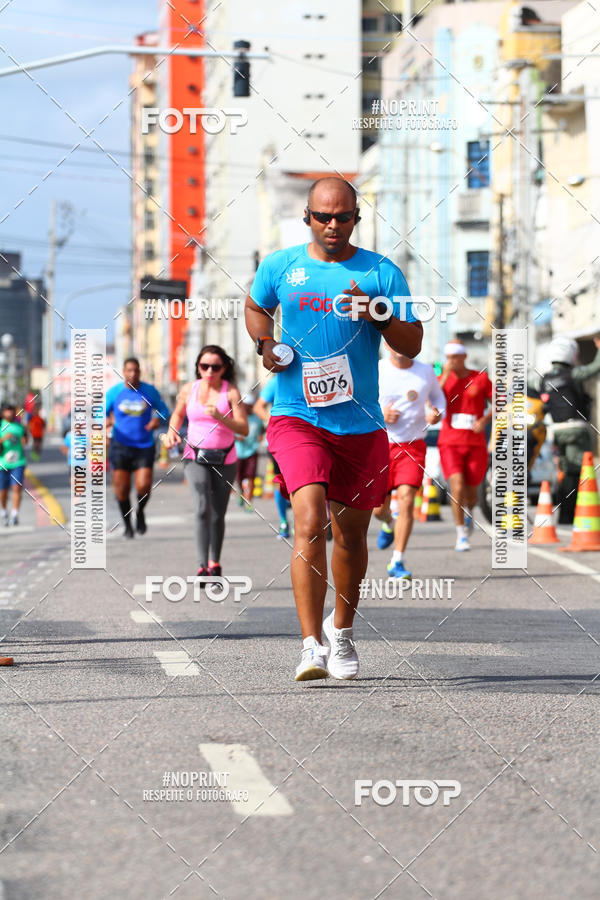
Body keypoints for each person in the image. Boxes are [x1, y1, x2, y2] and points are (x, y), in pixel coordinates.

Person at [245, 175, 422, 682]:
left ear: (355, 219)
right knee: (308, 520)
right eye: (323, 216)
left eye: (342, 217)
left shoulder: (380, 272)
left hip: (360, 422)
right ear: (307, 217)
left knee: (351, 535)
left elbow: (410, 344)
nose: (332, 225)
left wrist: (380, 315)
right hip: (296, 415)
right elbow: (256, 308)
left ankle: (342, 631)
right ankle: (310, 646)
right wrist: (265, 346)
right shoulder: (281, 267)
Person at [162, 346, 248, 578]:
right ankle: (202, 565)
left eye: (215, 366)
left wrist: (221, 417)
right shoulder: (189, 389)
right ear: (198, 367)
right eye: (204, 366)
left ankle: (214, 561)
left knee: (218, 513)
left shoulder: (231, 392)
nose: (209, 371)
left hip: (225, 458)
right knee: (202, 508)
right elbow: (178, 414)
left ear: (224, 368)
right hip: (194, 456)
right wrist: (172, 432)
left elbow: (244, 428)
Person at [374, 343, 446, 579]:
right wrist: (380, 414)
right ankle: (387, 522)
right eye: (393, 341)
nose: (399, 346)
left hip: (412, 447)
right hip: (380, 445)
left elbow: (438, 400)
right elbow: (358, 403)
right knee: (377, 509)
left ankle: (397, 560)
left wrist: (435, 415)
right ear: (385, 344)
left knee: (406, 501)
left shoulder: (425, 371)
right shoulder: (377, 369)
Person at [438, 341, 492, 552]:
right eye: (448, 357)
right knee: (457, 486)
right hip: (450, 442)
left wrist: (485, 420)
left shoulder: (480, 378)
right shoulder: (441, 380)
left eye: (455, 357)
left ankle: (469, 512)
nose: (451, 361)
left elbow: (498, 401)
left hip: (475, 442)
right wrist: (443, 377)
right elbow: (432, 400)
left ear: (464, 357)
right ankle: (461, 534)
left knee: (472, 492)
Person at [106, 358, 169, 539]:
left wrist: (158, 419)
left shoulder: (149, 391)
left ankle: (140, 511)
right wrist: (106, 420)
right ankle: (127, 525)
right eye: (129, 370)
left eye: (136, 370)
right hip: (120, 445)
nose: (132, 374)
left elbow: (164, 410)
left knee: (143, 486)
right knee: (122, 489)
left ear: (140, 372)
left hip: (144, 444)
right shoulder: (114, 393)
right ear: (123, 372)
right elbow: (100, 412)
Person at [540, 334, 600, 522]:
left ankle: (565, 514)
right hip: (576, 430)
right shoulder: (573, 375)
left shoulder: (544, 379)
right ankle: (572, 514)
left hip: (556, 431)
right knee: (578, 472)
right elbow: (595, 368)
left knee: (565, 472)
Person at [253, 376, 293, 538]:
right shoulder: (278, 380)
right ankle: (284, 521)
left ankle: (312, 521)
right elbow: (258, 407)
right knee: (281, 482)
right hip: (281, 440)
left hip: (313, 438)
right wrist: (277, 422)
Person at [0, 403, 27, 526]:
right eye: (7, 411)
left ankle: (15, 514)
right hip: (3, 464)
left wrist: (24, 440)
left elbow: (25, 441)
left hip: (18, 462)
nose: (10, 414)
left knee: (16, 488)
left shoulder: (20, 427)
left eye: (11, 411)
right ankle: (4, 511)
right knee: (3, 492)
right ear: (3, 413)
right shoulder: (1, 427)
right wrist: (3, 439)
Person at [235, 392, 263, 509]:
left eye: (249, 405)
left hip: (252, 450)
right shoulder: (238, 417)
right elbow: (230, 432)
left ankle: (249, 501)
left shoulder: (257, 419)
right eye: (245, 405)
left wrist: (260, 436)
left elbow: (262, 430)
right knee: (239, 477)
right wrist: (237, 437)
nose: (247, 407)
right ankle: (241, 493)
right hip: (239, 451)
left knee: (251, 476)